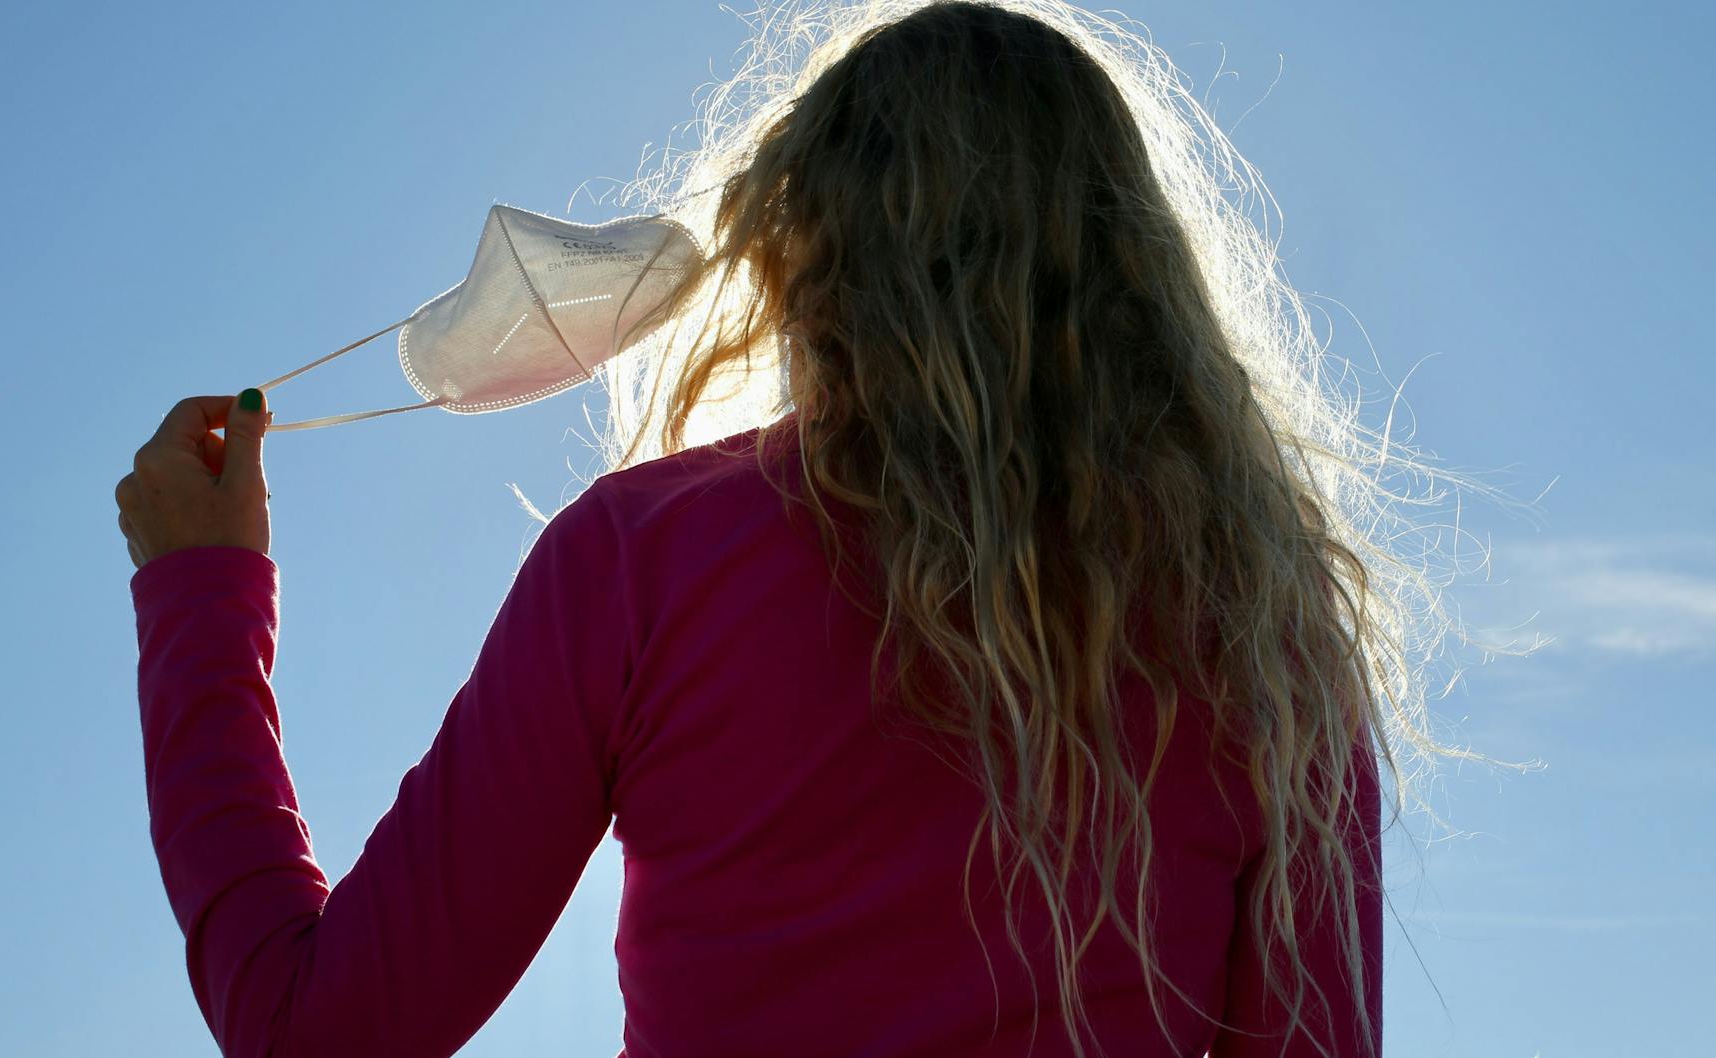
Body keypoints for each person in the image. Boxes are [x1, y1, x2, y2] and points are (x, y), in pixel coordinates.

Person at [117, 2, 1491, 1055]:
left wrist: (200, 590)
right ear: (1136, 280)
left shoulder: (644, 558)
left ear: (798, 246)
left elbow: (317, 1023)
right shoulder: (1264, 637)